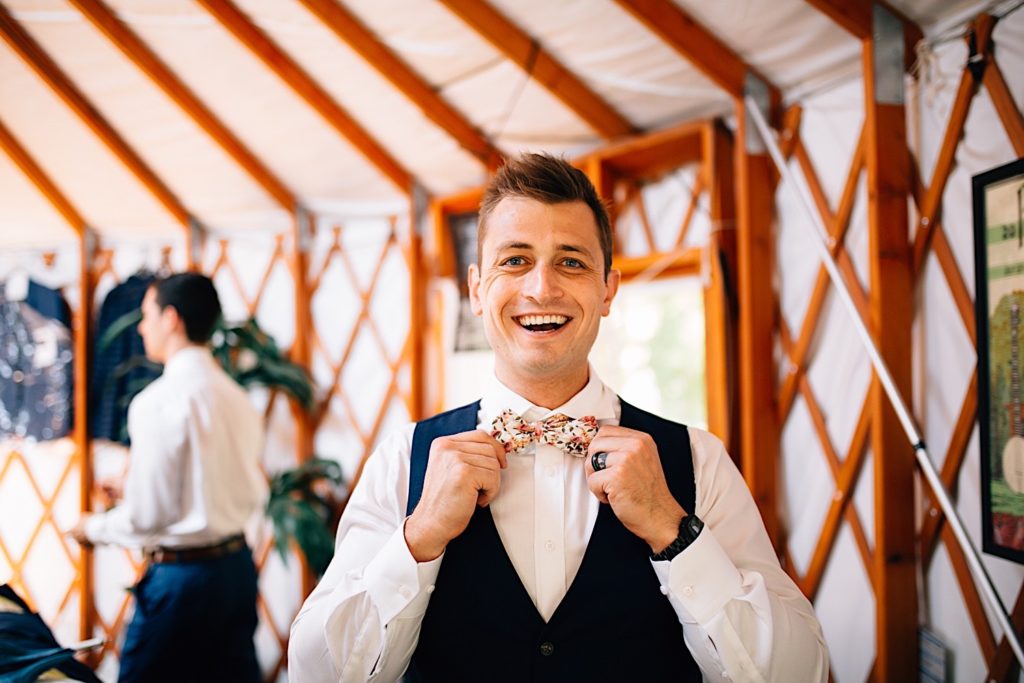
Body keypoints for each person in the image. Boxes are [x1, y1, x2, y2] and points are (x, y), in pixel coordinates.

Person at [288, 154, 828, 682]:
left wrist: (673, 530)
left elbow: (799, 672)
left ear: (607, 289)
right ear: (477, 289)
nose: (541, 288)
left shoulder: (696, 460)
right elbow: (317, 674)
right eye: (515, 260)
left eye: (571, 260)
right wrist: (420, 537)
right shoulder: (405, 461)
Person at [70, 272, 267, 683]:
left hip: (182, 582)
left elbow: (147, 517)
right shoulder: (236, 398)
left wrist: (92, 527)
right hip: (235, 572)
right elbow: (215, 480)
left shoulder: (157, 401)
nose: (141, 327)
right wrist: (133, 485)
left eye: (146, 315)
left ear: (171, 318)